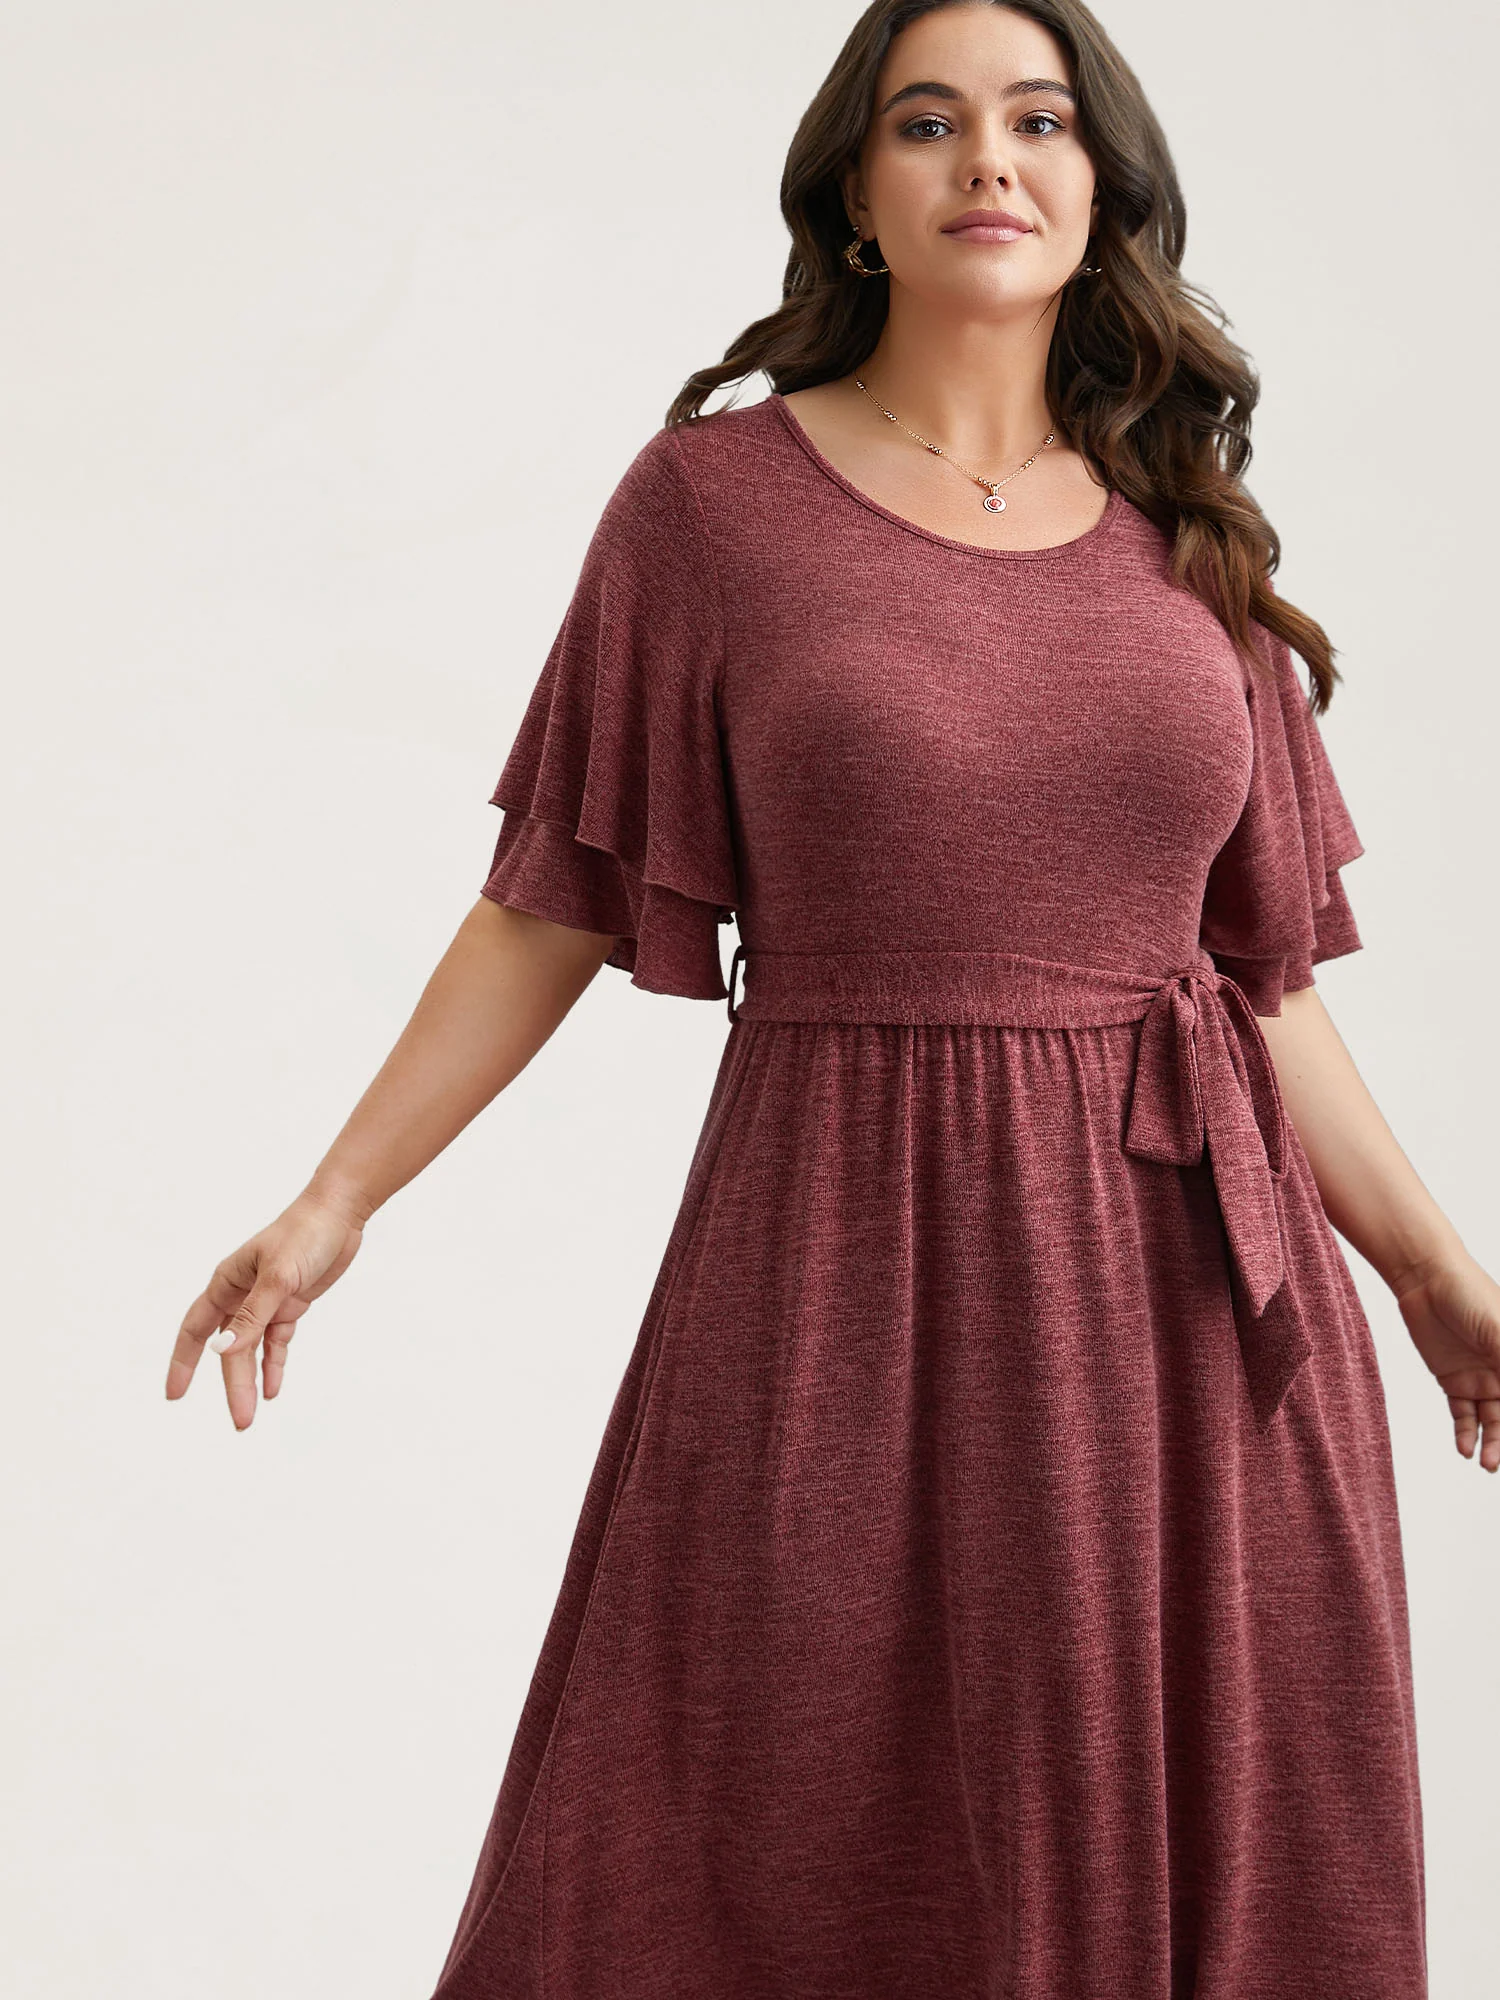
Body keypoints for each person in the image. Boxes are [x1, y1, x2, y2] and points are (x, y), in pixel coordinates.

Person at [168, 2, 1496, 1993]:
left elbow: (1264, 988)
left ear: (1102, 186)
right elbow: (547, 904)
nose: (991, 160)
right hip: (851, 1274)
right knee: (754, 1822)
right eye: (929, 122)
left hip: (1197, 1325)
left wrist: (1435, 1276)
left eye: (1040, 121)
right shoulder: (713, 509)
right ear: (857, 196)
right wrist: (336, 1198)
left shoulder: (1189, 541)